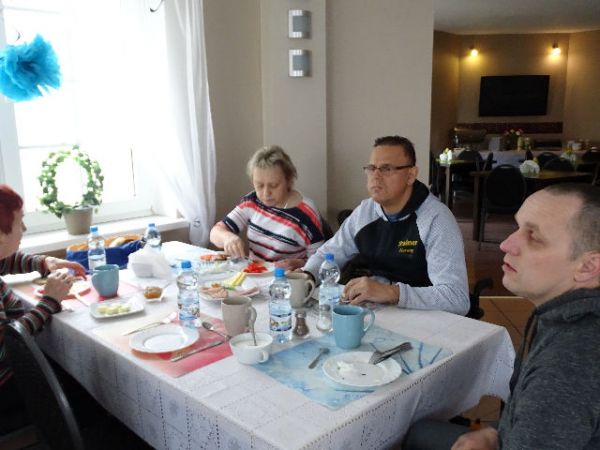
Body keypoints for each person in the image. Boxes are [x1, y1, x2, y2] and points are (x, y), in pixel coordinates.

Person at [404, 183, 600, 450]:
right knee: (420, 431)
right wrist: (494, 433)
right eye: (518, 227)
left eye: (534, 236)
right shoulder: (565, 314)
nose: (506, 244)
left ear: (588, 266)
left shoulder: (569, 362)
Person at [303, 135, 469, 315]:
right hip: (381, 313)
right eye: (371, 168)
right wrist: (307, 276)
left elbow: (457, 298)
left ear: (411, 175)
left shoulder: (436, 219)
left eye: (387, 169)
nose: (376, 176)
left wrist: (392, 292)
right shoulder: (365, 211)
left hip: (426, 317)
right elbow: (328, 254)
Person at [0, 184, 86, 433]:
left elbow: (5, 261)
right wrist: (49, 302)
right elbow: (7, 348)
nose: (24, 229)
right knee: (87, 385)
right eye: (20, 222)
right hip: (6, 388)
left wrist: (45, 262)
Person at [210, 145, 326, 271]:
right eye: (259, 185)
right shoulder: (252, 201)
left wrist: (300, 264)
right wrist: (227, 238)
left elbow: (320, 262)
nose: (266, 193)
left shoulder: (306, 214)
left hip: (287, 278)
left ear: (289, 181)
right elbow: (215, 232)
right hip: (255, 273)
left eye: (274, 185)